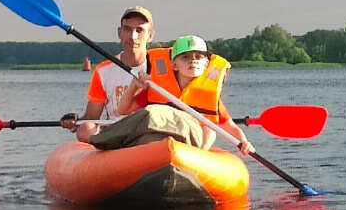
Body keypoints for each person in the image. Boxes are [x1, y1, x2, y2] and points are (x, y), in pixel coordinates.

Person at [74, 35, 255, 156]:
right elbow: (123, 110)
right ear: (174, 65)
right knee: (151, 113)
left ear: (207, 65)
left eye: (198, 58)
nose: (193, 61)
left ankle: (197, 160)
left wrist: (244, 142)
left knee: (209, 130)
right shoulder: (156, 87)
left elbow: (228, 126)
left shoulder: (209, 95)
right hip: (157, 137)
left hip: (187, 142)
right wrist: (134, 86)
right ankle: (104, 142)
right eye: (186, 57)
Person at [62, 5, 156, 130]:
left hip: (150, 132)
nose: (133, 36)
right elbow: (92, 116)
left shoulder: (162, 65)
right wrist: (75, 122)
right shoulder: (103, 71)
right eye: (127, 29)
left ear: (150, 35)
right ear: (119, 32)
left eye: (139, 30)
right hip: (117, 133)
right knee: (85, 130)